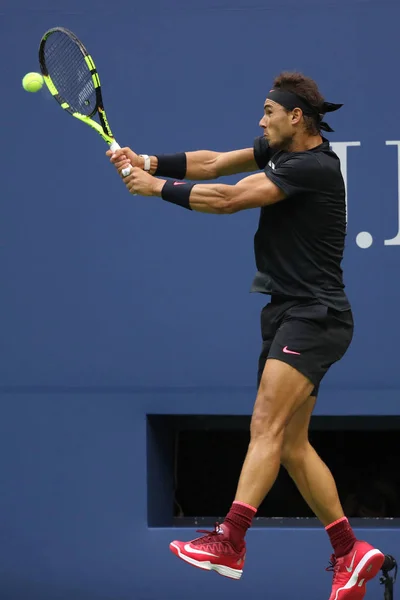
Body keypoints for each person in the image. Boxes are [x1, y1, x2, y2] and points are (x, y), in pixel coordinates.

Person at [106, 72, 385, 599]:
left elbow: (229, 198)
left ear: (295, 117)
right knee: (293, 444)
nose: (261, 121)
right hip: (290, 312)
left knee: (265, 424)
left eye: (268, 113)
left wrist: (156, 188)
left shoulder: (312, 166)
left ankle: (230, 539)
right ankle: (349, 550)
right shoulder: (281, 150)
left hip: (314, 315)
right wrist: (148, 162)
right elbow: (213, 163)